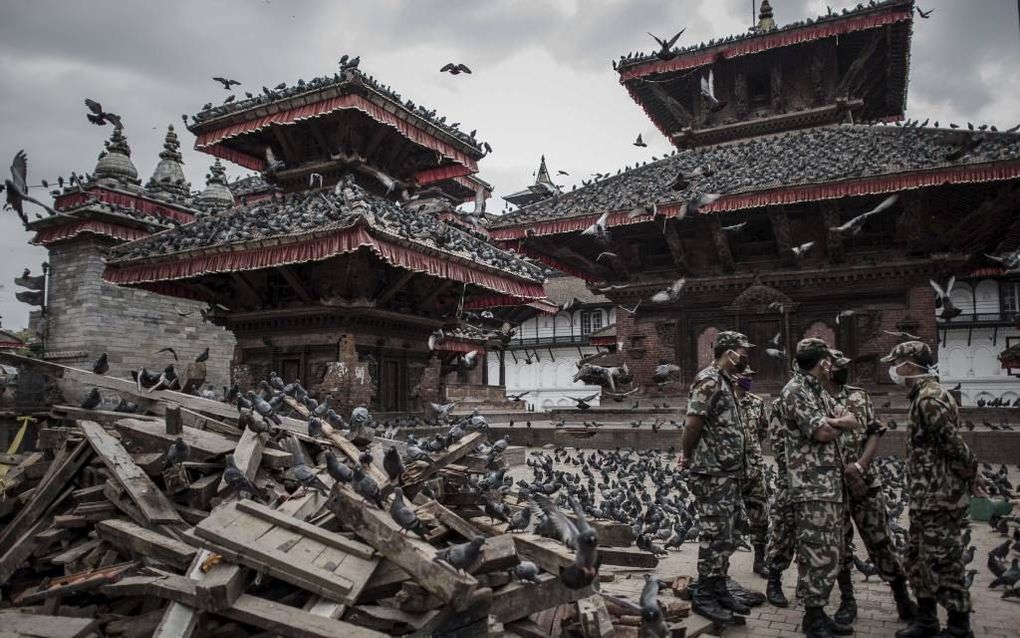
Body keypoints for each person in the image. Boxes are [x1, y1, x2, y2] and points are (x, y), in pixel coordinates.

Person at [882, 341, 984, 638]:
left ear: (910, 365)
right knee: (918, 557)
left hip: (939, 495)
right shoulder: (922, 396)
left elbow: (952, 443)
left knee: (945, 559)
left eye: (896, 362)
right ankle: (926, 620)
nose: (893, 369)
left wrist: (973, 472)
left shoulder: (929, 398)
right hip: (925, 495)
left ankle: (958, 626)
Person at [824, 349, 916, 626]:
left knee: (881, 541)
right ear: (826, 369)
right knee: (840, 547)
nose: (843, 370)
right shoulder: (814, 400)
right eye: (838, 365)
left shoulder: (859, 396)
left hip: (865, 483)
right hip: (833, 487)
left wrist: (861, 466)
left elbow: (874, 432)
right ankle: (848, 601)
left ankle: (902, 597)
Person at [780, 338, 859, 637]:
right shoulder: (796, 390)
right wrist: (832, 422)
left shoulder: (819, 393)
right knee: (817, 550)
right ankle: (813, 618)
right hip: (812, 486)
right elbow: (824, 432)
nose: (833, 366)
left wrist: (831, 420)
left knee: (832, 549)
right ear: (824, 362)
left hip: (830, 485)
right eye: (829, 361)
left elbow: (854, 418)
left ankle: (819, 612)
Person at [679, 330, 753, 624]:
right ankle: (705, 595)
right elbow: (693, 422)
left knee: (730, 532)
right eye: (743, 350)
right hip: (711, 471)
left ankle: (719, 584)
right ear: (729, 351)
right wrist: (686, 454)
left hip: (728, 471)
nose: (746, 356)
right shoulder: (709, 379)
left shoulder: (725, 381)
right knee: (714, 534)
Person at [733, 367, 770, 577]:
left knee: (761, 516)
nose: (748, 379)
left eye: (751, 376)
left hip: (754, 470)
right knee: (726, 519)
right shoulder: (725, 403)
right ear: (734, 377)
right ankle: (720, 567)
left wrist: (751, 452)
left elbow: (762, 431)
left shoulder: (757, 402)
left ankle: (759, 560)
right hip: (730, 472)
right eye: (745, 376)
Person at [764, 395, 795, 608]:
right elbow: (777, 444)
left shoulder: (831, 399)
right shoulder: (781, 403)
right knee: (782, 531)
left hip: (824, 481)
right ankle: (774, 581)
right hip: (791, 477)